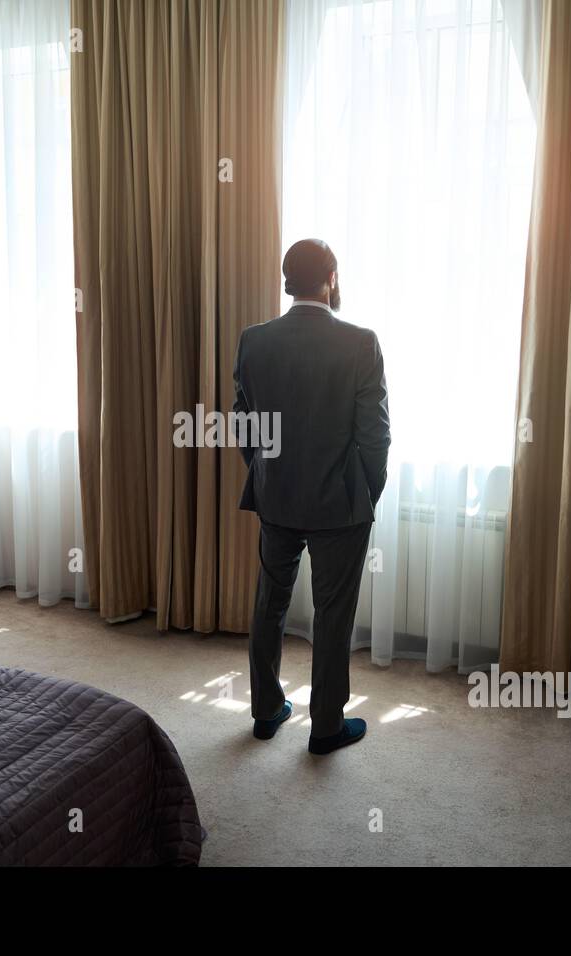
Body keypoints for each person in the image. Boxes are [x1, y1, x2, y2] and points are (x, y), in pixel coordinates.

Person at [232, 238, 391, 755]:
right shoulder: (360, 343)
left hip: (277, 498)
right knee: (333, 613)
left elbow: (245, 426)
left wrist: (265, 473)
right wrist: (369, 491)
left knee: (269, 605)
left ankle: (264, 710)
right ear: (332, 277)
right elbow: (376, 434)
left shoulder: (254, 341)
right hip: (340, 506)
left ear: (287, 282)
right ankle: (325, 726)